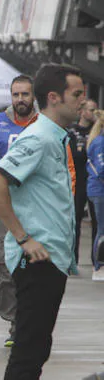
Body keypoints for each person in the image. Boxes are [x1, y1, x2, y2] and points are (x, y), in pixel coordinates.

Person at [0, 64, 84, 380]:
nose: (84, 100)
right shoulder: (40, 136)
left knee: (36, 352)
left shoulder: (55, 137)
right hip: (36, 261)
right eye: (77, 94)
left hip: (52, 261)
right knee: (26, 354)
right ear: (55, 98)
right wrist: (23, 237)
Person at [0, 76, 39, 346]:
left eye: (25, 94)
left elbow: (65, 167)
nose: (20, 99)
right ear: (10, 96)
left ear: (33, 96)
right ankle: (13, 320)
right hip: (4, 209)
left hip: (38, 210)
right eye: (16, 94)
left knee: (35, 267)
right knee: (5, 266)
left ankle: (25, 324)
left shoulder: (45, 125)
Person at [69, 99, 98, 270]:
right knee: (75, 220)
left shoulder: (98, 131)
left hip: (93, 180)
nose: (93, 113)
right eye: (90, 110)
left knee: (97, 221)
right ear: (81, 111)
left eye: (95, 110)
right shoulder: (72, 131)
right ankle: (73, 259)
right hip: (78, 179)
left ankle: (97, 260)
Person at [85, 109, 104, 281]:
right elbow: (101, 169)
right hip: (99, 191)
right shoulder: (100, 142)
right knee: (102, 229)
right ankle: (99, 266)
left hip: (98, 190)